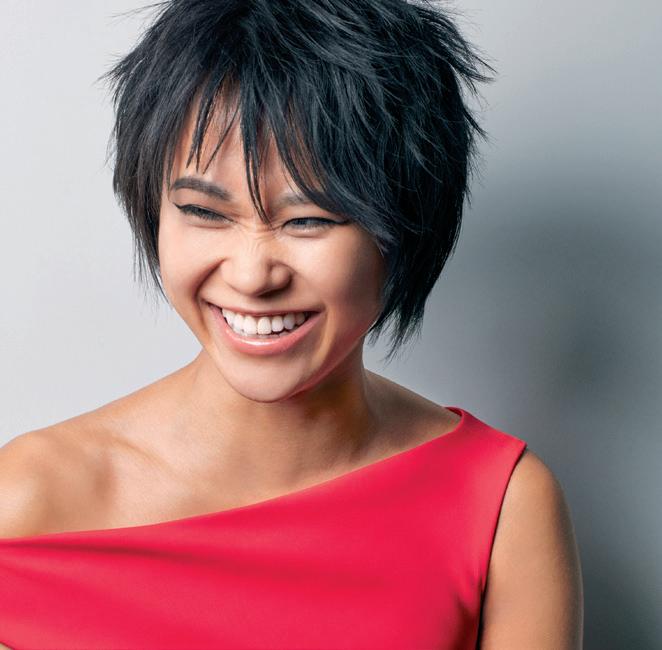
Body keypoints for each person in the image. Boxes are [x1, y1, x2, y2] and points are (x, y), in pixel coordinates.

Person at [0, 0, 583, 648]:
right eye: (205, 212)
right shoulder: (25, 501)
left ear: (404, 228)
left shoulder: (501, 506)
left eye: (308, 219)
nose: (252, 275)